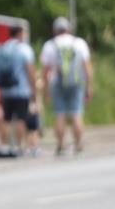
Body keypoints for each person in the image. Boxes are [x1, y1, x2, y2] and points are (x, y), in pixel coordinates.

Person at [40, 16, 93, 155]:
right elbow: (87, 68)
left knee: (59, 114)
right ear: (68, 29)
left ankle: (61, 145)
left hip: (57, 83)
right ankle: (79, 145)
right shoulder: (79, 43)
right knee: (77, 113)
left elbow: (45, 71)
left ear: (55, 30)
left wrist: (45, 91)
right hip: (76, 82)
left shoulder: (50, 45)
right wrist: (89, 86)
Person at [0, 25, 36, 153]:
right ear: (20, 33)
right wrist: (33, 89)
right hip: (21, 90)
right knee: (21, 118)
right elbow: (30, 71)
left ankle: (5, 145)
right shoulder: (24, 49)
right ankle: (18, 145)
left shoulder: (1, 48)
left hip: (5, 90)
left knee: (6, 118)